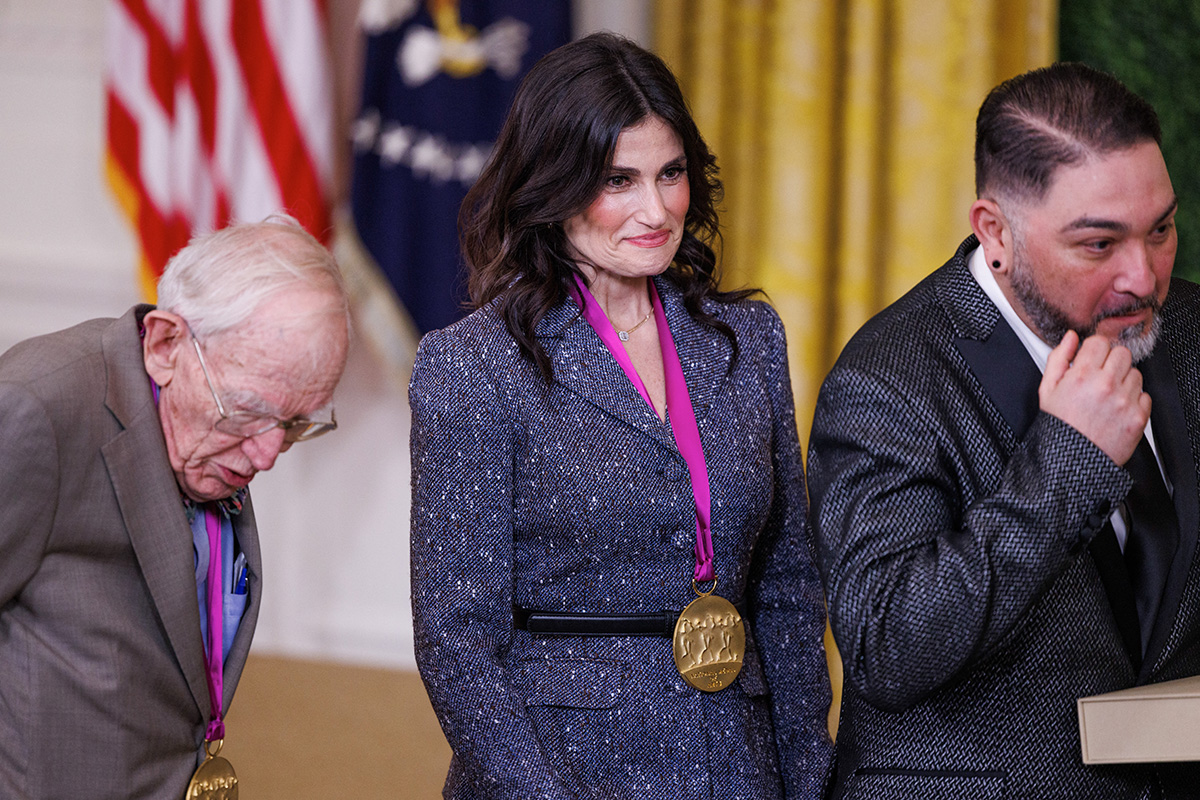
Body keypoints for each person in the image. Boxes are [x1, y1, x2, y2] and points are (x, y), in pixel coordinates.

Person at [409, 32, 833, 800]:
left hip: (737, 765)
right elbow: (456, 639)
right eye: (618, 180)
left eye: (670, 173)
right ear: (553, 185)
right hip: (564, 769)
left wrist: (807, 782)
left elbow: (788, 589)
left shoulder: (748, 339)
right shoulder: (471, 364)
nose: (657, 208)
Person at [807, 62, 1200, 798]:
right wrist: (1070, 460)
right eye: (1098, 244)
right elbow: (886, 646)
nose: (1145, 278)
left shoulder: (1186, 328)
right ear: (995, 231)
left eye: (1162, 230)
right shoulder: (887, 378)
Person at [0, 216, 350, 799]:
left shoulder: (211, 433)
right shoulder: (37, 409)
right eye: (245, 412)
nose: (266, 455)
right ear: (166, 344)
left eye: (293, 425)